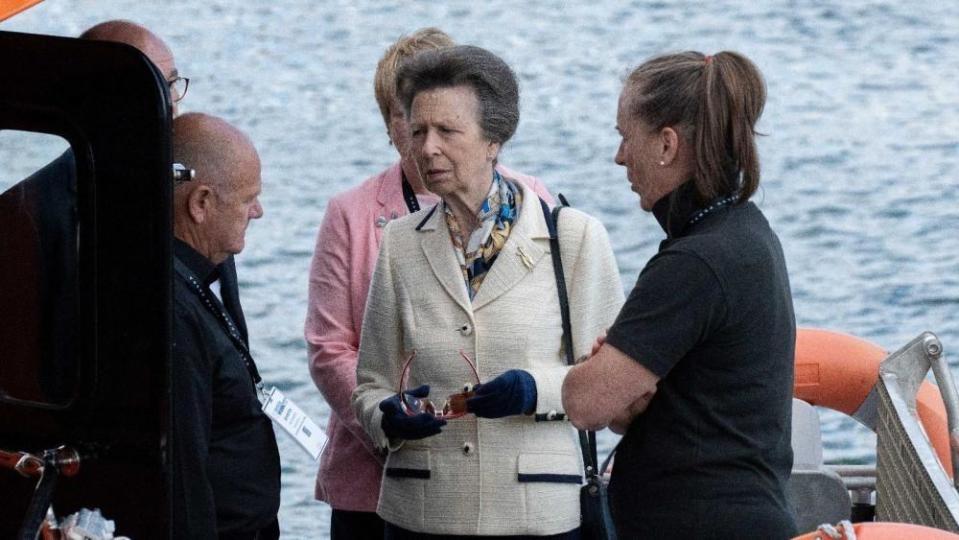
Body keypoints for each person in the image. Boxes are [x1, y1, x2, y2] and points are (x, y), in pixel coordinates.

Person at [351, 45, 623, 539]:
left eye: (447, 132)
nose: (427, 147)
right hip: (423, 515)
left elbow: (611, 388)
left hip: (537, 515)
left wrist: (533, 391)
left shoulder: (575, 238)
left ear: (494, 139)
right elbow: (370, 384)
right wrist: (387, 417)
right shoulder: (398, 243)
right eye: (417, 132)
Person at [304, 28, 553, 539]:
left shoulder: (534, 201)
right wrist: (389, 424)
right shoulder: (350, 215)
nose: (422, 133)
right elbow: (330, 348)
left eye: (443, 119)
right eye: (405, 115)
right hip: (376, 481)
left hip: (502, 474)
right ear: (388, 123)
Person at [562, 51, 797, 539]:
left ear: (667, 144)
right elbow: (668, 406)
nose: (620, 157)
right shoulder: (746, 233)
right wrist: (632, 395)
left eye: (626, 137)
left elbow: (585, 403)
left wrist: (598, 375)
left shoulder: (696, 263)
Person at [0, 20, 188, 403]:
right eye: (152, 88)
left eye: (171, 85)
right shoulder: (26, 216)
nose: (170, 105)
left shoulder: (190, 192)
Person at [170, 112, 280, 539]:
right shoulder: (177, 312)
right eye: (247, 199)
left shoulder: (198, 275)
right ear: (200, 203)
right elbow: (183, 469)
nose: (259, 211)